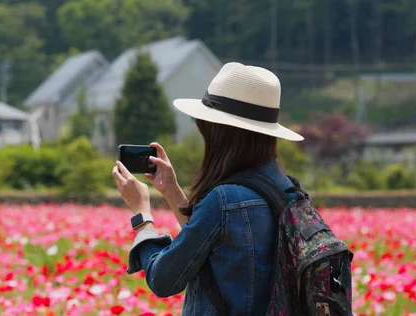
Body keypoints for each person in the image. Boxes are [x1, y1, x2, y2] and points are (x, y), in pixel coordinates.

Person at [112, 62, 305, 315]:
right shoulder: (290, 191)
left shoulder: (224, 200)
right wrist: (171, 191)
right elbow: (219, 241)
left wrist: (141, 215)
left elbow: (163, 279)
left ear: (218, 132)